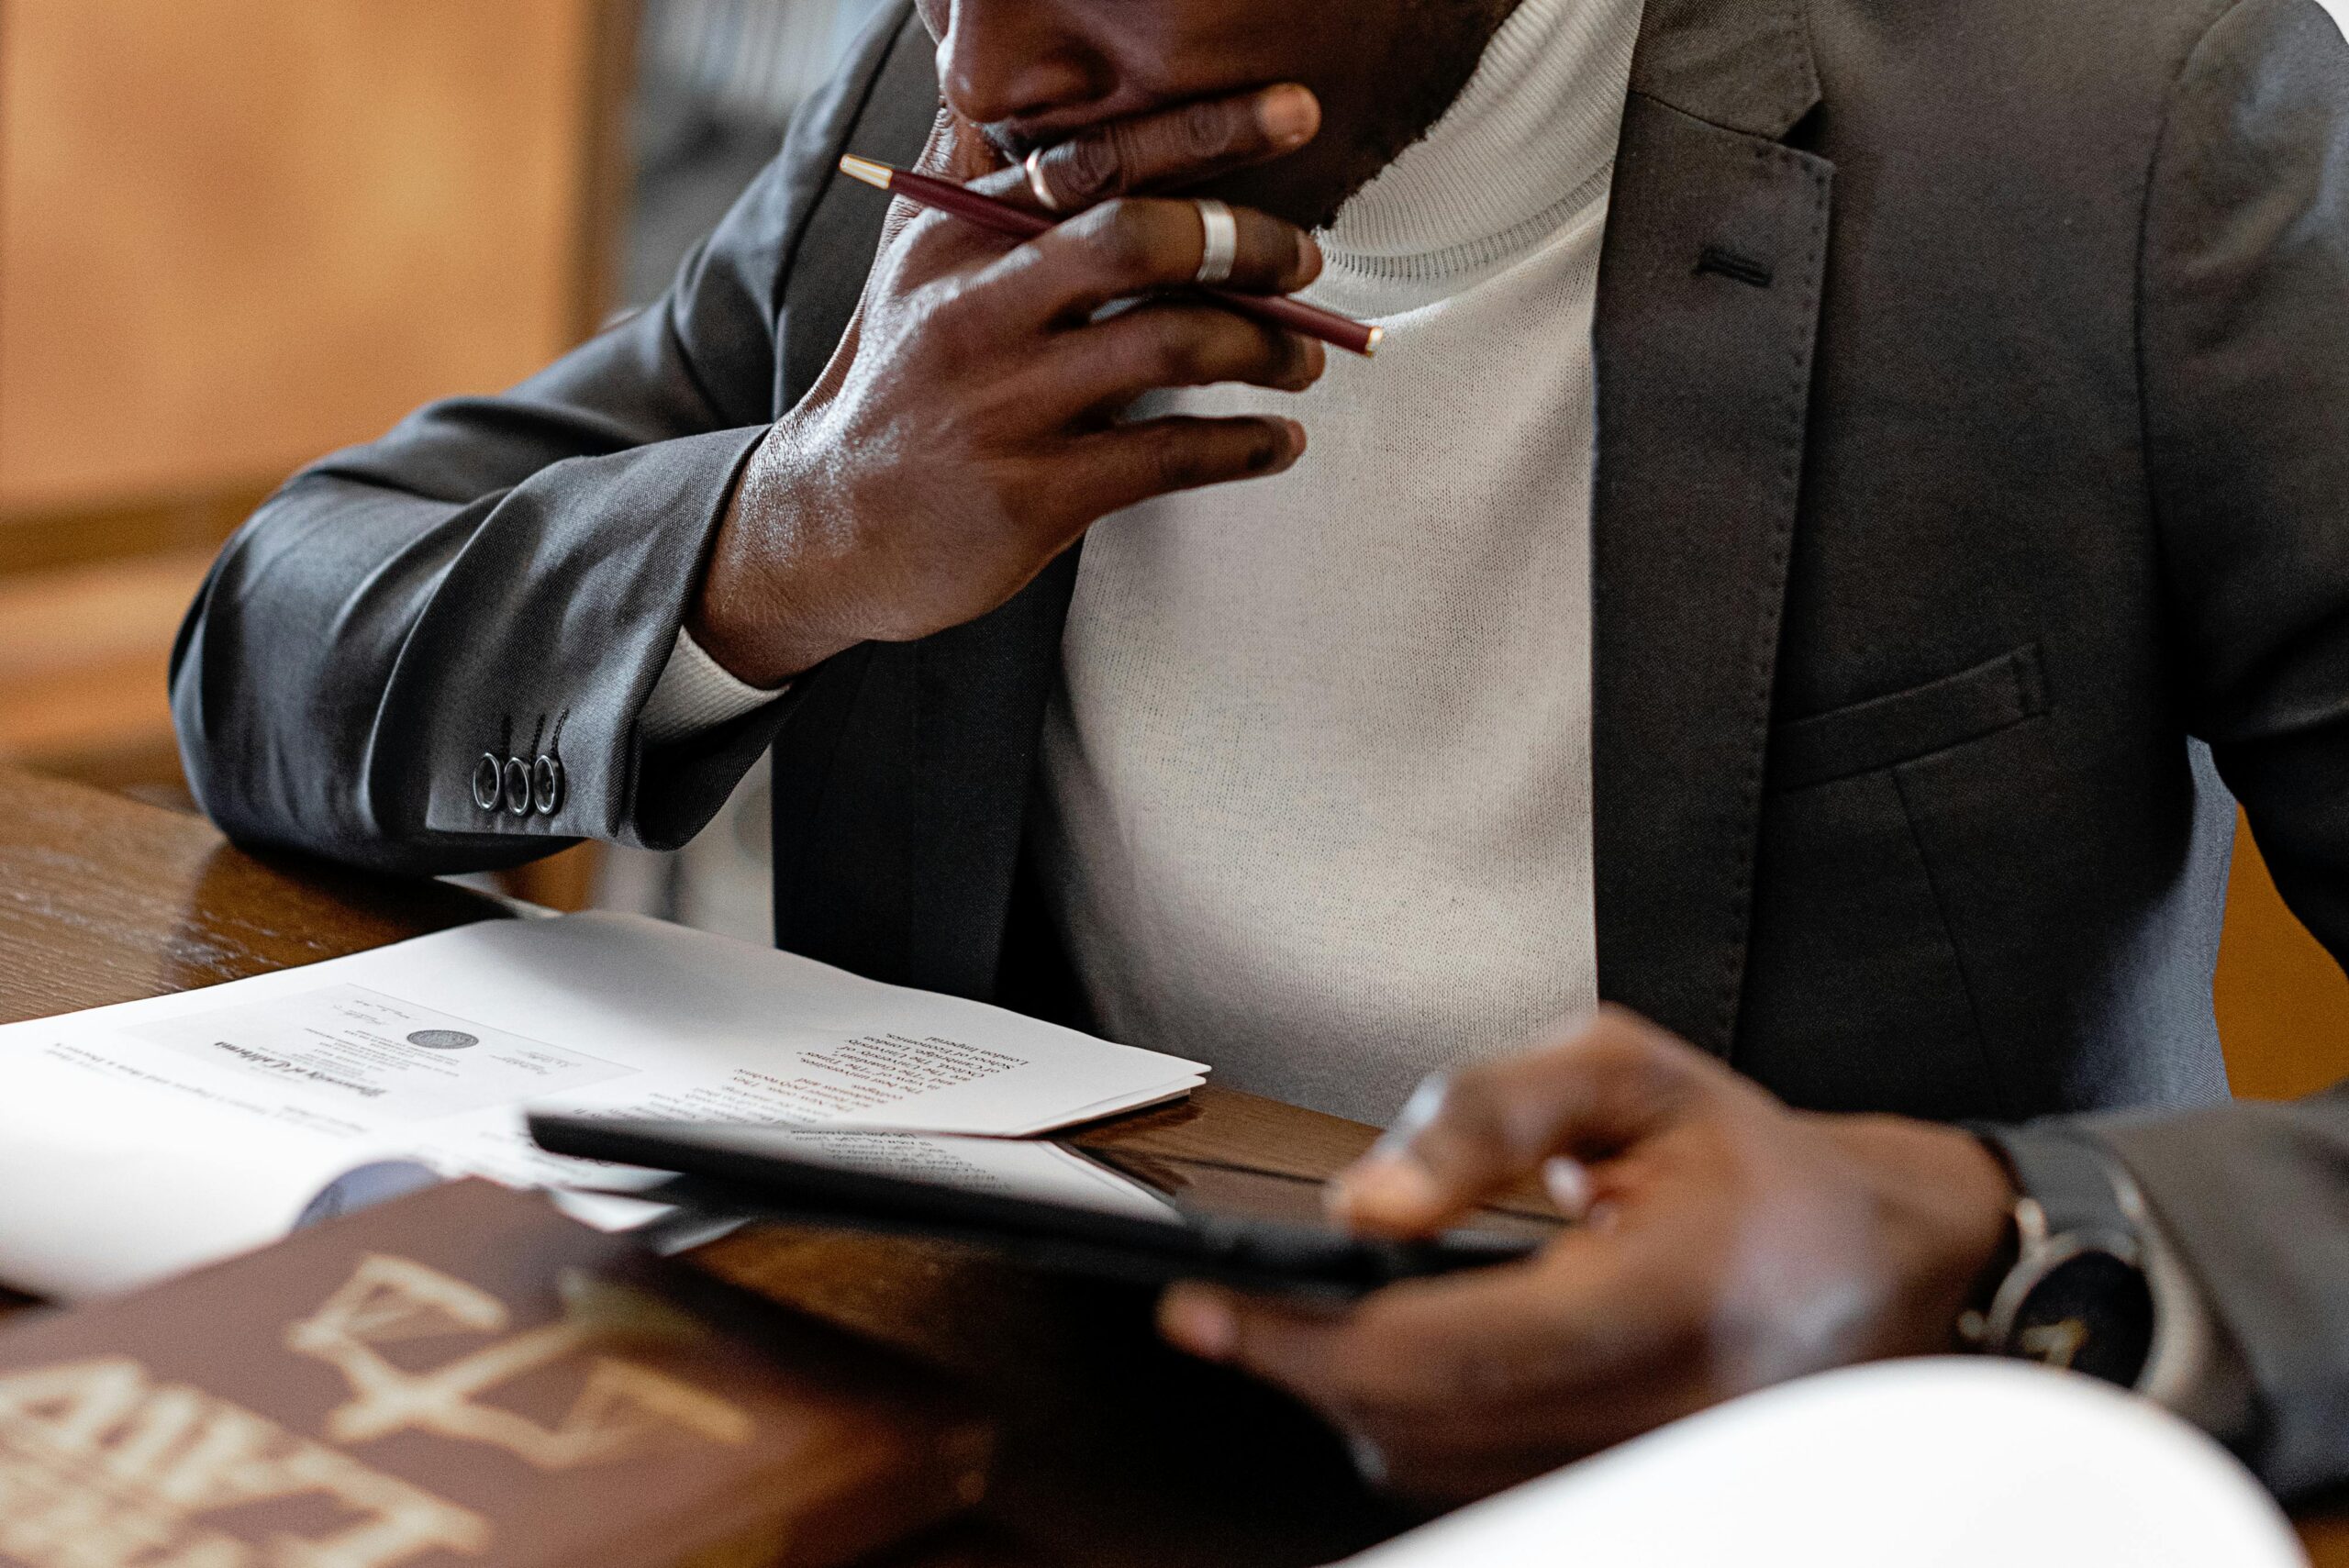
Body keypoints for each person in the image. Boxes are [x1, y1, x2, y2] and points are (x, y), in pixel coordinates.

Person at [170, 0, 2349, 1507]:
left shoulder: (2122, 127)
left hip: (1812, 1488)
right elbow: (273, 635)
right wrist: (781, 533)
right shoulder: (958, 129)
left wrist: (1976, 1233)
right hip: (1057, 1459)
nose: (986, 73)